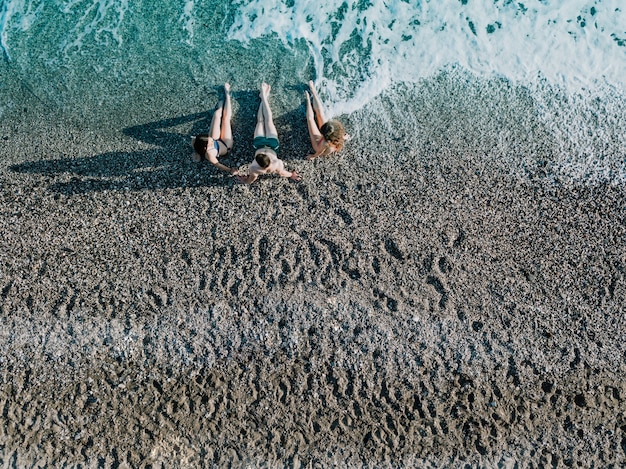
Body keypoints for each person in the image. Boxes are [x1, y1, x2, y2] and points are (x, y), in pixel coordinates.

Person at [237, 83, 301, 184]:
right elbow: (282, 173)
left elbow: (252, 179)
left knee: (262, 121)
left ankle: (264, 97)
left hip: (264, 144)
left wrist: (245, 181)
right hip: (267, 145)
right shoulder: (276, 164)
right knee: (265, 121)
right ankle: (263, 97)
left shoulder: (254, 167)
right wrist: (291, 175)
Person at [191, 83, 239, 175]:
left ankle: (220, 104)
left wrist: (197, 153)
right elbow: (218, 164)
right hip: (225, 145)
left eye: (210, 140)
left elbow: (197, 143)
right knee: (225, 120)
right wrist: (230, 170)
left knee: (217, 115)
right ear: (205, 148)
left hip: (216, 140)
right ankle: (227, 94)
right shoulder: (209, 155)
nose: (211, 141)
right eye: (210, 143)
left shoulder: (195, 141)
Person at [304, 80, 350, 160]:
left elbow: (319, 152)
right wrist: (344, 137)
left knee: (310, 119)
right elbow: (340, 137)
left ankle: (308, 99)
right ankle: (313, 92)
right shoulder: (339, 136)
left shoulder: (325, 143)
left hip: (318, 145)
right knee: (320, 114)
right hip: (330, 139)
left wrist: (313, 156)